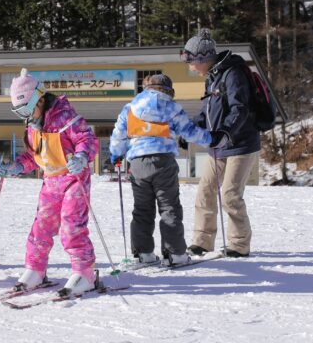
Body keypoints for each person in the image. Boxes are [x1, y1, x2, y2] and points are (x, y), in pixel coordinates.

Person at [0, 68, 100, 295]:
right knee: (41, 227)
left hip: (74, 178)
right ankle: (35, 269)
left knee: (71, 225)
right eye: (19, 112)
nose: (25, 116)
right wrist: (17, 166)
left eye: (27, 109)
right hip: (51, 182)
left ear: (40, 99)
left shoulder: (65, 117)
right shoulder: (32, 125)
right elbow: (35, 156)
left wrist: (82, 156)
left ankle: (84, 272)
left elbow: (88, 139)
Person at [109, 74, 223, 265]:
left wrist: (116, 154)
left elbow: (118, 134)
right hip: (164, 161)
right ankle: (175, 254)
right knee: (169, 207)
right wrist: (211, 139)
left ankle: (144, 253)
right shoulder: (171, 107)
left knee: (142, 209)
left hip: (137, 163)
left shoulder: (130, 108)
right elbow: (189, 132)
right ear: (168, 90)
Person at [181, 28, 260, 258]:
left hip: (241, 144)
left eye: (192, 62)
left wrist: (225, 132)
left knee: (230, 195)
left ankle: (239, 245)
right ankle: (202, 242)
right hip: (220, 146)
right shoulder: (213, 77)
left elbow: (240, 109)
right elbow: (208, 113)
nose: (191, 67)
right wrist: (189, 131)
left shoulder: (233, 73)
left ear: (204, 58)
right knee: (205, 191)